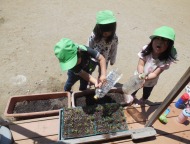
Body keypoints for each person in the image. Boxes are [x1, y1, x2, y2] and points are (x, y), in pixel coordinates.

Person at [124, 26, 178, 105]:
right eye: (157, 39)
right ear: (152, 41)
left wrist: (146, 78)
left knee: (147, 91)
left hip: (150, 81)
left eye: (165, 41)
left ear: (169, 46)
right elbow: (140, 64)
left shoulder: (165, 60)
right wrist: (141, 76)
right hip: (139, 75)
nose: (160, 43)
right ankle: (132, 96)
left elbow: (155, 73)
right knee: (134, 87)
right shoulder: (146, 50)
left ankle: (144, 99)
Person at [87, 10, 118, 79]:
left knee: (102, 73)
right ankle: (89, 80)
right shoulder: (94, 35)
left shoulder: (114, 38)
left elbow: (114, 49)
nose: (105, 34)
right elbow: (89, 45)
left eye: (108, 32)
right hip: (93, 58)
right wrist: (87, 55)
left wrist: (113, 60)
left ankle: (99, 82)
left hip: (105, 60)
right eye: (103, 31)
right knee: (89, 70)